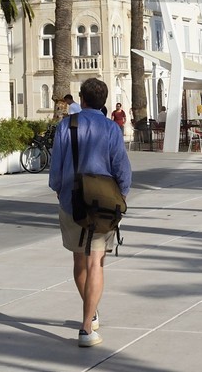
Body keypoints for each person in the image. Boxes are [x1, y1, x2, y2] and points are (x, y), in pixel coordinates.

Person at [48, 78, 131, 349]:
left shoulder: (66, 125)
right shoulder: (110, 128)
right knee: (96, 262)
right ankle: (86, 327)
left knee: (79, 261)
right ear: (104, 101)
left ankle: (91, 313)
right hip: (103, 205)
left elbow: (56, 168)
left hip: (73, 202)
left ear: (82, 99)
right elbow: (121, 168)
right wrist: (122, 195)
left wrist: (60, 191)